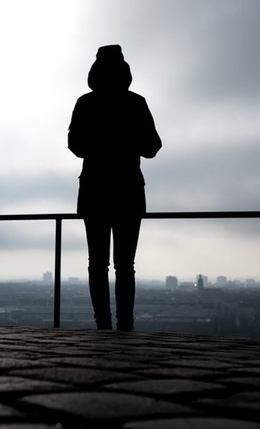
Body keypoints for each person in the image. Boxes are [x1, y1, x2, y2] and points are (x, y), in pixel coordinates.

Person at [68, 45, 162, 331]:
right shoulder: (136, 103)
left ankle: (103, 324)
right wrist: (127, 141)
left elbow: (75, 145)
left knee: (97, 264)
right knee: (125, 265)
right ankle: (125, 324)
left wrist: (100, 143)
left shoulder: (86, 103)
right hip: (128, 191)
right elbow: (153, 147)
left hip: (95, 191)